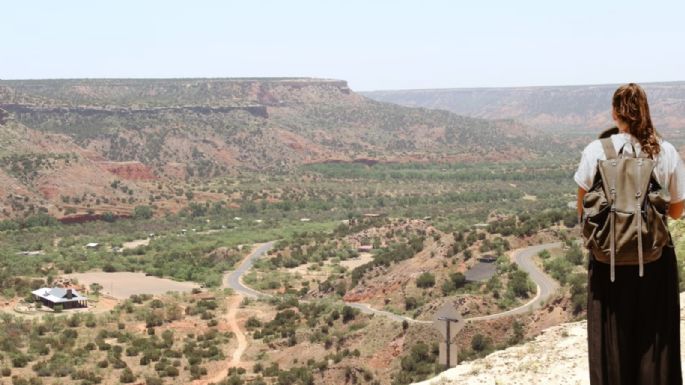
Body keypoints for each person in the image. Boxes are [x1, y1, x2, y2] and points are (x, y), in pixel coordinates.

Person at [574, 83, 684, 385]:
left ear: (614, 112)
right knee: (655, 345)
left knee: (610, 347)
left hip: (607, 265)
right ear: (645, 111)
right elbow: (676, 210)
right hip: (655, 263)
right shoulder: (666, 151)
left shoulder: (595, 150)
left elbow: (582, 209)